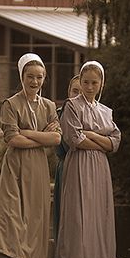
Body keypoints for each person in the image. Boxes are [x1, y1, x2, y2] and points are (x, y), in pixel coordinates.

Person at [0, 53, 61, 258]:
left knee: (34, 216)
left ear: (44, 78)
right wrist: (41, 137)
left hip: (38, 167)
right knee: (10, 215)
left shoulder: (50, 106)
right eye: (30, 76)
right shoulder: (10, 104)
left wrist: (28, 133)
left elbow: (57, 138)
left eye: (39, 77)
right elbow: (12, 138)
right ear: (22, 77)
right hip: (15, 166)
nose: (35, 82)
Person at [53, 60, 121, 258]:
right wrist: (102, 141)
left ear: (101, 84)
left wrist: (90, 134)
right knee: (78, 213)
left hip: (100, 167)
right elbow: (74, 139)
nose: (90, 87)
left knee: (98, 213)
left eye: (94, 83)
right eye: (86, 82)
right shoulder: (72, 105)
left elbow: (116, 141)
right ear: (80, 82)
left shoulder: (106, 111)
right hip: (79, 164)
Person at [52, 74, 81, 241]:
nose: (77, 95)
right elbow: (65, 146)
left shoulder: (92, 113)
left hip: (87, 168)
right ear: (68, 92)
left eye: (81, 91)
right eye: (74, 91)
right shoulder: (59, 113)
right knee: (65, 215)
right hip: (67, 168)